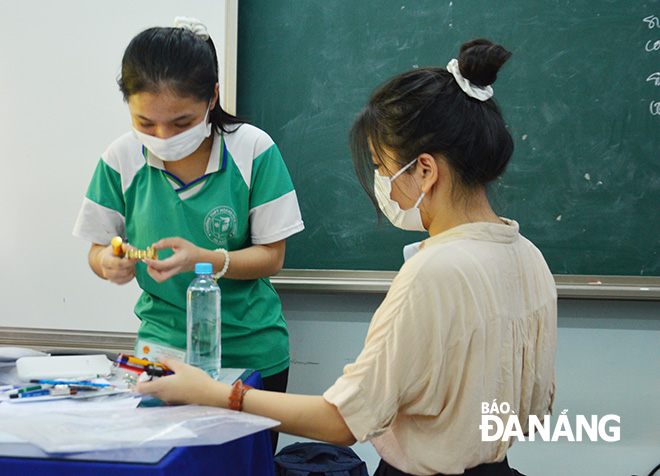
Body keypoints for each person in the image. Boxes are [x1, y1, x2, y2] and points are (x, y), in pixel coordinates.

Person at [137, 38, 557, 476]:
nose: (380, 181)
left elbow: (343, 420)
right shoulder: (528, 257)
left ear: (426, 170)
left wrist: (214, 393)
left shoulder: (433, 273)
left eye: (381, 165)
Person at [73, 17, 304, 450]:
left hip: (249, 352)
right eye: (145, 122)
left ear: (212, 96)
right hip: (162, 352)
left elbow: (272, 256)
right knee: (166, 460)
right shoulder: (120, 158)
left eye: (181, 123)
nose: (162, 136)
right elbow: (97, 250)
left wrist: (207, 258)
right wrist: (109, 264)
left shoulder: (252, 149)